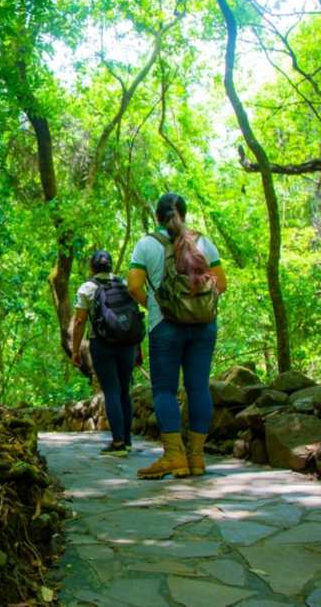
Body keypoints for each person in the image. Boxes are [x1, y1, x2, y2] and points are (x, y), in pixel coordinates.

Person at [127, 193, 227, 479]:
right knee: (198, 387)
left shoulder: (147, 244)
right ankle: (196, 458)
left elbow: (134, 286)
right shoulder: (203, 242)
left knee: (164, 391)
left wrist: (157, 305)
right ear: (184, 213)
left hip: (165, 327)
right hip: (204, 326)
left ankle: (174, 457)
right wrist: (196, 304)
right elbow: (222, 283)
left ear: (157, 216)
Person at [70, 250, 137, 457]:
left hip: (102, 345)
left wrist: (75, 350)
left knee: (112, 391)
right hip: (127, 344)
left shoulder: (87, 288)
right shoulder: (124, 284)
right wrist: (138, 348)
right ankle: (126, 440)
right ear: (110, 266)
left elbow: (80, 321)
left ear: (92, 267)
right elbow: (134, 317)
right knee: (124, 390)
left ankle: (117, 444)